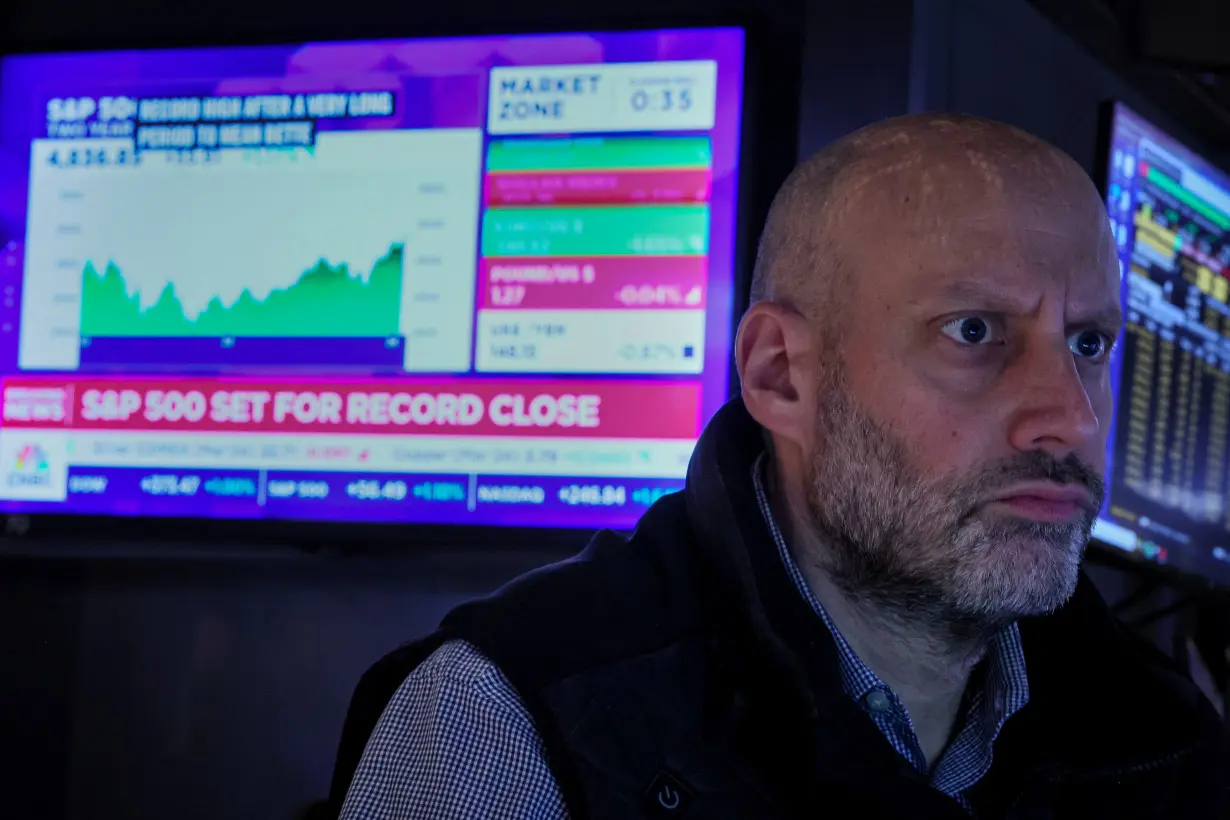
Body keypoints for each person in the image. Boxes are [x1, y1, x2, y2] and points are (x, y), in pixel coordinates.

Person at [332, 114, 1228, 819]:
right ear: (781, 375)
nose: (1068, 417)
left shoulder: (1162, 735)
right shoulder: (513, 717)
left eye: (1089, 342)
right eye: (974, 332)